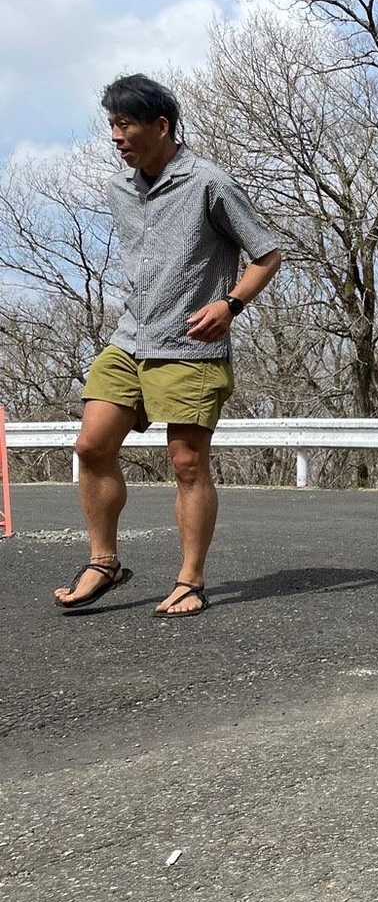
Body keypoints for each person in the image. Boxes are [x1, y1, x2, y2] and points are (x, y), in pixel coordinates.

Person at [52, 75, 282, 616]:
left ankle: (190, 580)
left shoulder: (209, 182)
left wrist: (230, 305)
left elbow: (267, 254)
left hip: (189, 343)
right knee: (91, 446)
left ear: (161, 126)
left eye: (126, 124)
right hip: (130, 338)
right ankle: (104, 563)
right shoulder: (120, 188)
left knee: (187, 463)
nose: (116, 136)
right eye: (112, 125)